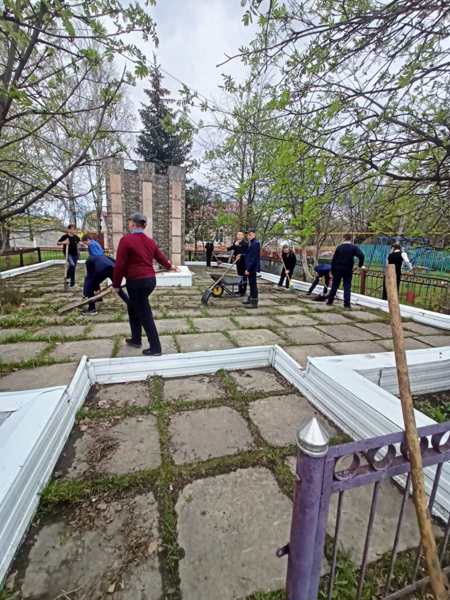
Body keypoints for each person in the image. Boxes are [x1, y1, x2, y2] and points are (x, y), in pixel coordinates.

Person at [112, 212, 179, 356]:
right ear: (144, 225)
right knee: (133, 307)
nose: (128, 224)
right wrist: (169, 266)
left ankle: (156, 348)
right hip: (150, 281)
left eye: (129, 222)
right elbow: (160, 257)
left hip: (136, 282)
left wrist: (116, 284)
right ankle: (136, 339)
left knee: (144, 313)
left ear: (132, 224)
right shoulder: (150, 241)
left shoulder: (126, 240)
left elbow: (120, 265)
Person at [326, 234, 365, 310]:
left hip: (337, 269)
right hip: (348, 269)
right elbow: (362, 255)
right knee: (347, 286)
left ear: (343, 238)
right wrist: (359, 265)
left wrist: (332, 270)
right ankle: (347, 305)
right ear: (351, 239)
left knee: (335, 285)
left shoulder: (339, 248)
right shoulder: (353, 247)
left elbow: (334, 260)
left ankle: (330, 301)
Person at [243, 228, 261, 309]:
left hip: (252, 268)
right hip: (250, 267)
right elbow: (249, 255)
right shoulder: (251, 243)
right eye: (248, 235)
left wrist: (248, 269)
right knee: (251, 284)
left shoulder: (255, 243)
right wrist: (242, 255)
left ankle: (254, 303)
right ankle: (251, 299)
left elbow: (253, 258)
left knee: (253, 285)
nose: (248, 236)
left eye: (250, 235)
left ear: (254, 234)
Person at [227, 231, 248, 296]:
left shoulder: (245, 243)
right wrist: (234, 245)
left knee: (244, 277)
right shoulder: (235, 242)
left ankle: (243, 291)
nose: (239, 236)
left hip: (244, 263)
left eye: (240, 234)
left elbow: (247, 253)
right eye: (238, 234)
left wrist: (241, 255)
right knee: (239, 276)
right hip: (238, 262)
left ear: (243, 236)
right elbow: (228, 249)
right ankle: (239, 290)